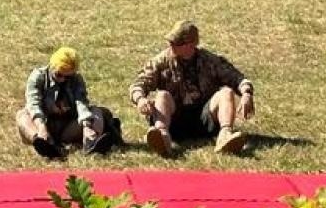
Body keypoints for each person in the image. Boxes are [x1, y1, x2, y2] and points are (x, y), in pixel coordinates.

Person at [129, 21, 254, 156]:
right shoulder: (161, 62)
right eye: (171, 42)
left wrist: (246, 93)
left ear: (191, 44)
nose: (171, 46)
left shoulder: (209, 61)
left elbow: (236, 78)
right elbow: (138, 84)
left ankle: (225, 136)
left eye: (176, 43)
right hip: (173, 119)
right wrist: (140, 99)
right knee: (162, 95)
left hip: (204, 119)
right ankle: (162, 137)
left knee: (226, 93)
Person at [16, 47, 114, 158]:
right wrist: (42, 128)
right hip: (43, 125)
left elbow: (81, 104)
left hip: (67, 128)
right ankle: (42, 143)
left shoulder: (76, 80)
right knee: (22, 115)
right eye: (58, 75)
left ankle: (91, 143)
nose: (62, 79)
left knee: (95, 111)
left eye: (68, 77)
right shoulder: (38, 77)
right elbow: (33, 104)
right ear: (52, 67)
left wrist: (87, 126)